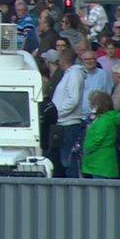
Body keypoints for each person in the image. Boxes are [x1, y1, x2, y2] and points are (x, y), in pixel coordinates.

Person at [51, 49, 86, 177]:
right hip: (63, 123)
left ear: (62, 60)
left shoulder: (75, 74)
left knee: (69, 160)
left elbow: (73, 99)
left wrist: (58, 113)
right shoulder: (69, 74)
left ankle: (73, 186)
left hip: (69, 123)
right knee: (63, 159)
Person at [81, 91, 120, 179]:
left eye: (93, 104)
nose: (91, 106)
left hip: (99, 163)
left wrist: (86, 149)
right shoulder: (109, 118)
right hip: (103, 162)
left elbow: (97, 140)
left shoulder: (104, 120)